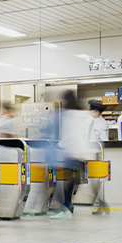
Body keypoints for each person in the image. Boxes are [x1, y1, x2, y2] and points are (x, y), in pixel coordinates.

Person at [51, 91, 92, 219]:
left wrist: (60, 146)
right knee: (72, 182)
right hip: (81, 152)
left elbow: (70, 135)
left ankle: (66, 209)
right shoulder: (82, 114)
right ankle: (68, 206)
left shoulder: (68, 115)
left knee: (65, 182)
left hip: (71, 152)